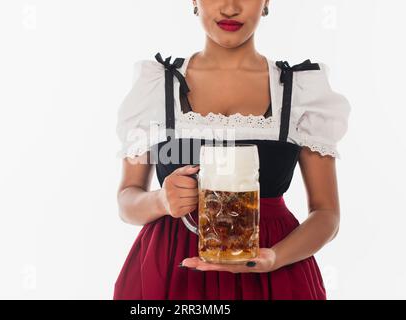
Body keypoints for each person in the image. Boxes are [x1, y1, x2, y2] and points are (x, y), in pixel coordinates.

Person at [113, 0, 351, 300]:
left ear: (266, 2)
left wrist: (274, 258)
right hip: (171, 275)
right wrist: (161, 200)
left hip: (274, 276)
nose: (229, 8)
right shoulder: (156, 85)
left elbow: (327, 214)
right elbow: (126, 200)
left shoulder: (301, 90)